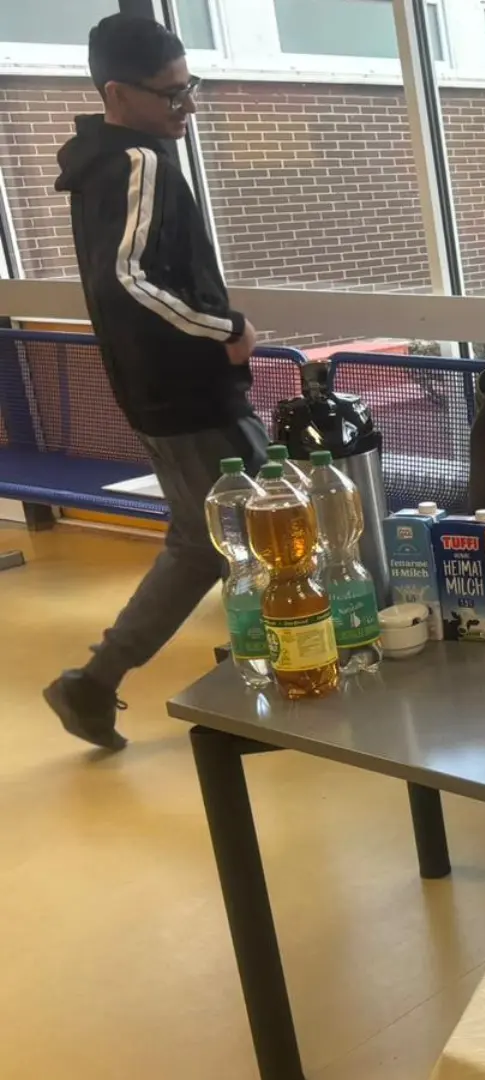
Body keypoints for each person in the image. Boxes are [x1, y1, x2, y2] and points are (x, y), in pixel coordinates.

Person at [43, 14, 265, 752]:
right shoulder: (137, 162)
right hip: (185, 390)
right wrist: (225, 330)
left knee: (216, 537)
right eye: (171, 95)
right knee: (258, 526)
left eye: (188, 88)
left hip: (161, 388)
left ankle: (100, 682)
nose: (187, 107)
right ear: (117, 93)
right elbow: (129, 279)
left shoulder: (110, 160)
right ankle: (103, 681)